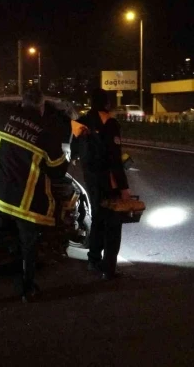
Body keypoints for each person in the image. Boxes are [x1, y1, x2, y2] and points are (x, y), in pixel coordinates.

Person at [0, 89, 69, 303]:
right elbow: (59, 170)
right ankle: (27, 290)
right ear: (41, 107)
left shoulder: (1, 119)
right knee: (29, 245)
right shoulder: (47, 136)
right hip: (26, 204)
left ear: (22, 103)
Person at [73, 89, 131, 280]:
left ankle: (93, 260)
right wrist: (124, 187)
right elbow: (115, 158)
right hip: (109, 181)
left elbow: (74, 151)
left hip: (91, 180)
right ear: (106, 103)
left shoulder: (80, 122)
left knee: (98, 218)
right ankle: (109, 269)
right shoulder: (110, 123)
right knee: (113, 224)